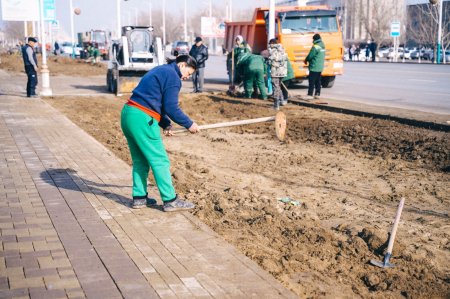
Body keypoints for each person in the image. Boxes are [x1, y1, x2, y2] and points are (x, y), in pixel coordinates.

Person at [121, 55, 200, 212]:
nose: (186, 77)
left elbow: (158, 101)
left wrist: (166, 124)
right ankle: (170, 200)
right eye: (189, 73)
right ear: (182, 65)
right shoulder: (173, 77)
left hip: (129, 114)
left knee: (140, 160)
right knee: (160, 160)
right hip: (143, 118)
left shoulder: (162, 70)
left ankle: (139, 198)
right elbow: (171, 107)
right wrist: (189, 124)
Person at [268, 38, 288, 110]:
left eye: (270, 43)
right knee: (278, 86)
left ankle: (276, 105)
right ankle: (282, 101)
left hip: (275, 72)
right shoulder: (282, 50)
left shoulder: (273, 51)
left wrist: (267, 61)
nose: (269, 45)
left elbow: (270, 61)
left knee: (275, 87)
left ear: (273, 43)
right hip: (282, 72)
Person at [304, 33, 325, 100]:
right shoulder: (323, 45)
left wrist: (306, 59)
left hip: (314, 66)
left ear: (315, 39)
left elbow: (311, 55)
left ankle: (310, 94)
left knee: (312, 81)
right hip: (320, 66)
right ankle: (317, 94)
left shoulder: (316, 46)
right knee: (318, 81)